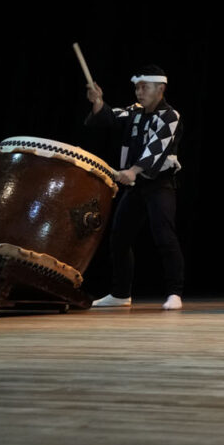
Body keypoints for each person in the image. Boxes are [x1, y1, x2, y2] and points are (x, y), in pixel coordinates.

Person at [84, 65, 185, 311]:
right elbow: (109, 117)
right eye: (137, 88)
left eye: (145, 88)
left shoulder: (170, 116)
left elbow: (156, 149)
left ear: (160, 89)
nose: (139, 92)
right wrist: (98, 102)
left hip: (159, 183)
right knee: (119, 237)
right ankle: (120, 293)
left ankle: (175, 293)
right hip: (136, 184)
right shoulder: (134, 112)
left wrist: (133, 171)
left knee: (164, 235)